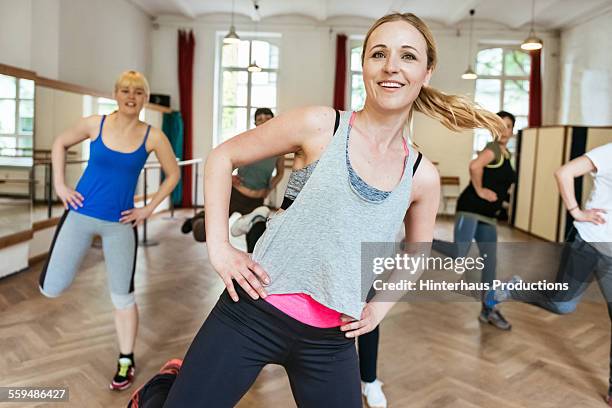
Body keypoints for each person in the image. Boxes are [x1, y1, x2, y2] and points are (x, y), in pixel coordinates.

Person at [163, 13, 505, 407]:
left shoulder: (421, 175)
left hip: (331, 339)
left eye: (408, 56)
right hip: (253, 310)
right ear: (364, 66)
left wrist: (378, 310)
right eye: (379, 54)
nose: (391, 66)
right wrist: (220, 248)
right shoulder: (320, 125)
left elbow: (417, 250)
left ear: (426, 72)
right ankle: (163, 390)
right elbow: (222, 157)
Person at [38, 70, 180, 391]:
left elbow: (172, 175)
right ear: (116, 93)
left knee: (123, 296)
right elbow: (60, 142)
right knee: (52, 289)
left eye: (138, 92)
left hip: (121, 224)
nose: (132, 96)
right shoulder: (95, 124)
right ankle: (53, 275)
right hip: (79, 214)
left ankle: (126, 358)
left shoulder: (153, 136)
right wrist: (60, 185)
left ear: (145, 98)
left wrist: (148, 208)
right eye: (126, 90)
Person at [485, 143, 612, 405]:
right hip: (588, 243)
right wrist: (576, 212)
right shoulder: (609, 152)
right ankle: (512, 288)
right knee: (561, 304)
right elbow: (564, 173)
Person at [432, 111, 517, 330]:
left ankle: (488, 311)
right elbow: (474, 166)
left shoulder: (507, 155)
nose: (504, 130)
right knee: (460, 253)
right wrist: (480, 190)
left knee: (490, 264)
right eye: (499, 125)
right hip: (470, 208)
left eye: (508, 126)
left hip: (488, 216)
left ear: (512, 130)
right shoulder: (493, 148)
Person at [181, 108, 284, 252]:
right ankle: (195, 220)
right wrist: (229, 175)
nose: (264, 122)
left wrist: (269, 187)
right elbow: (223, 161)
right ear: (255, 123)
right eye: (260, 119)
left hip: (256, 203)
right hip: (234, 196)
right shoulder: (247, 142)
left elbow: (280, 173)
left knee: (256, 237)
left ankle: (250, 267)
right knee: (202, 234)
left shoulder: (279, 148)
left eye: (268, 118)